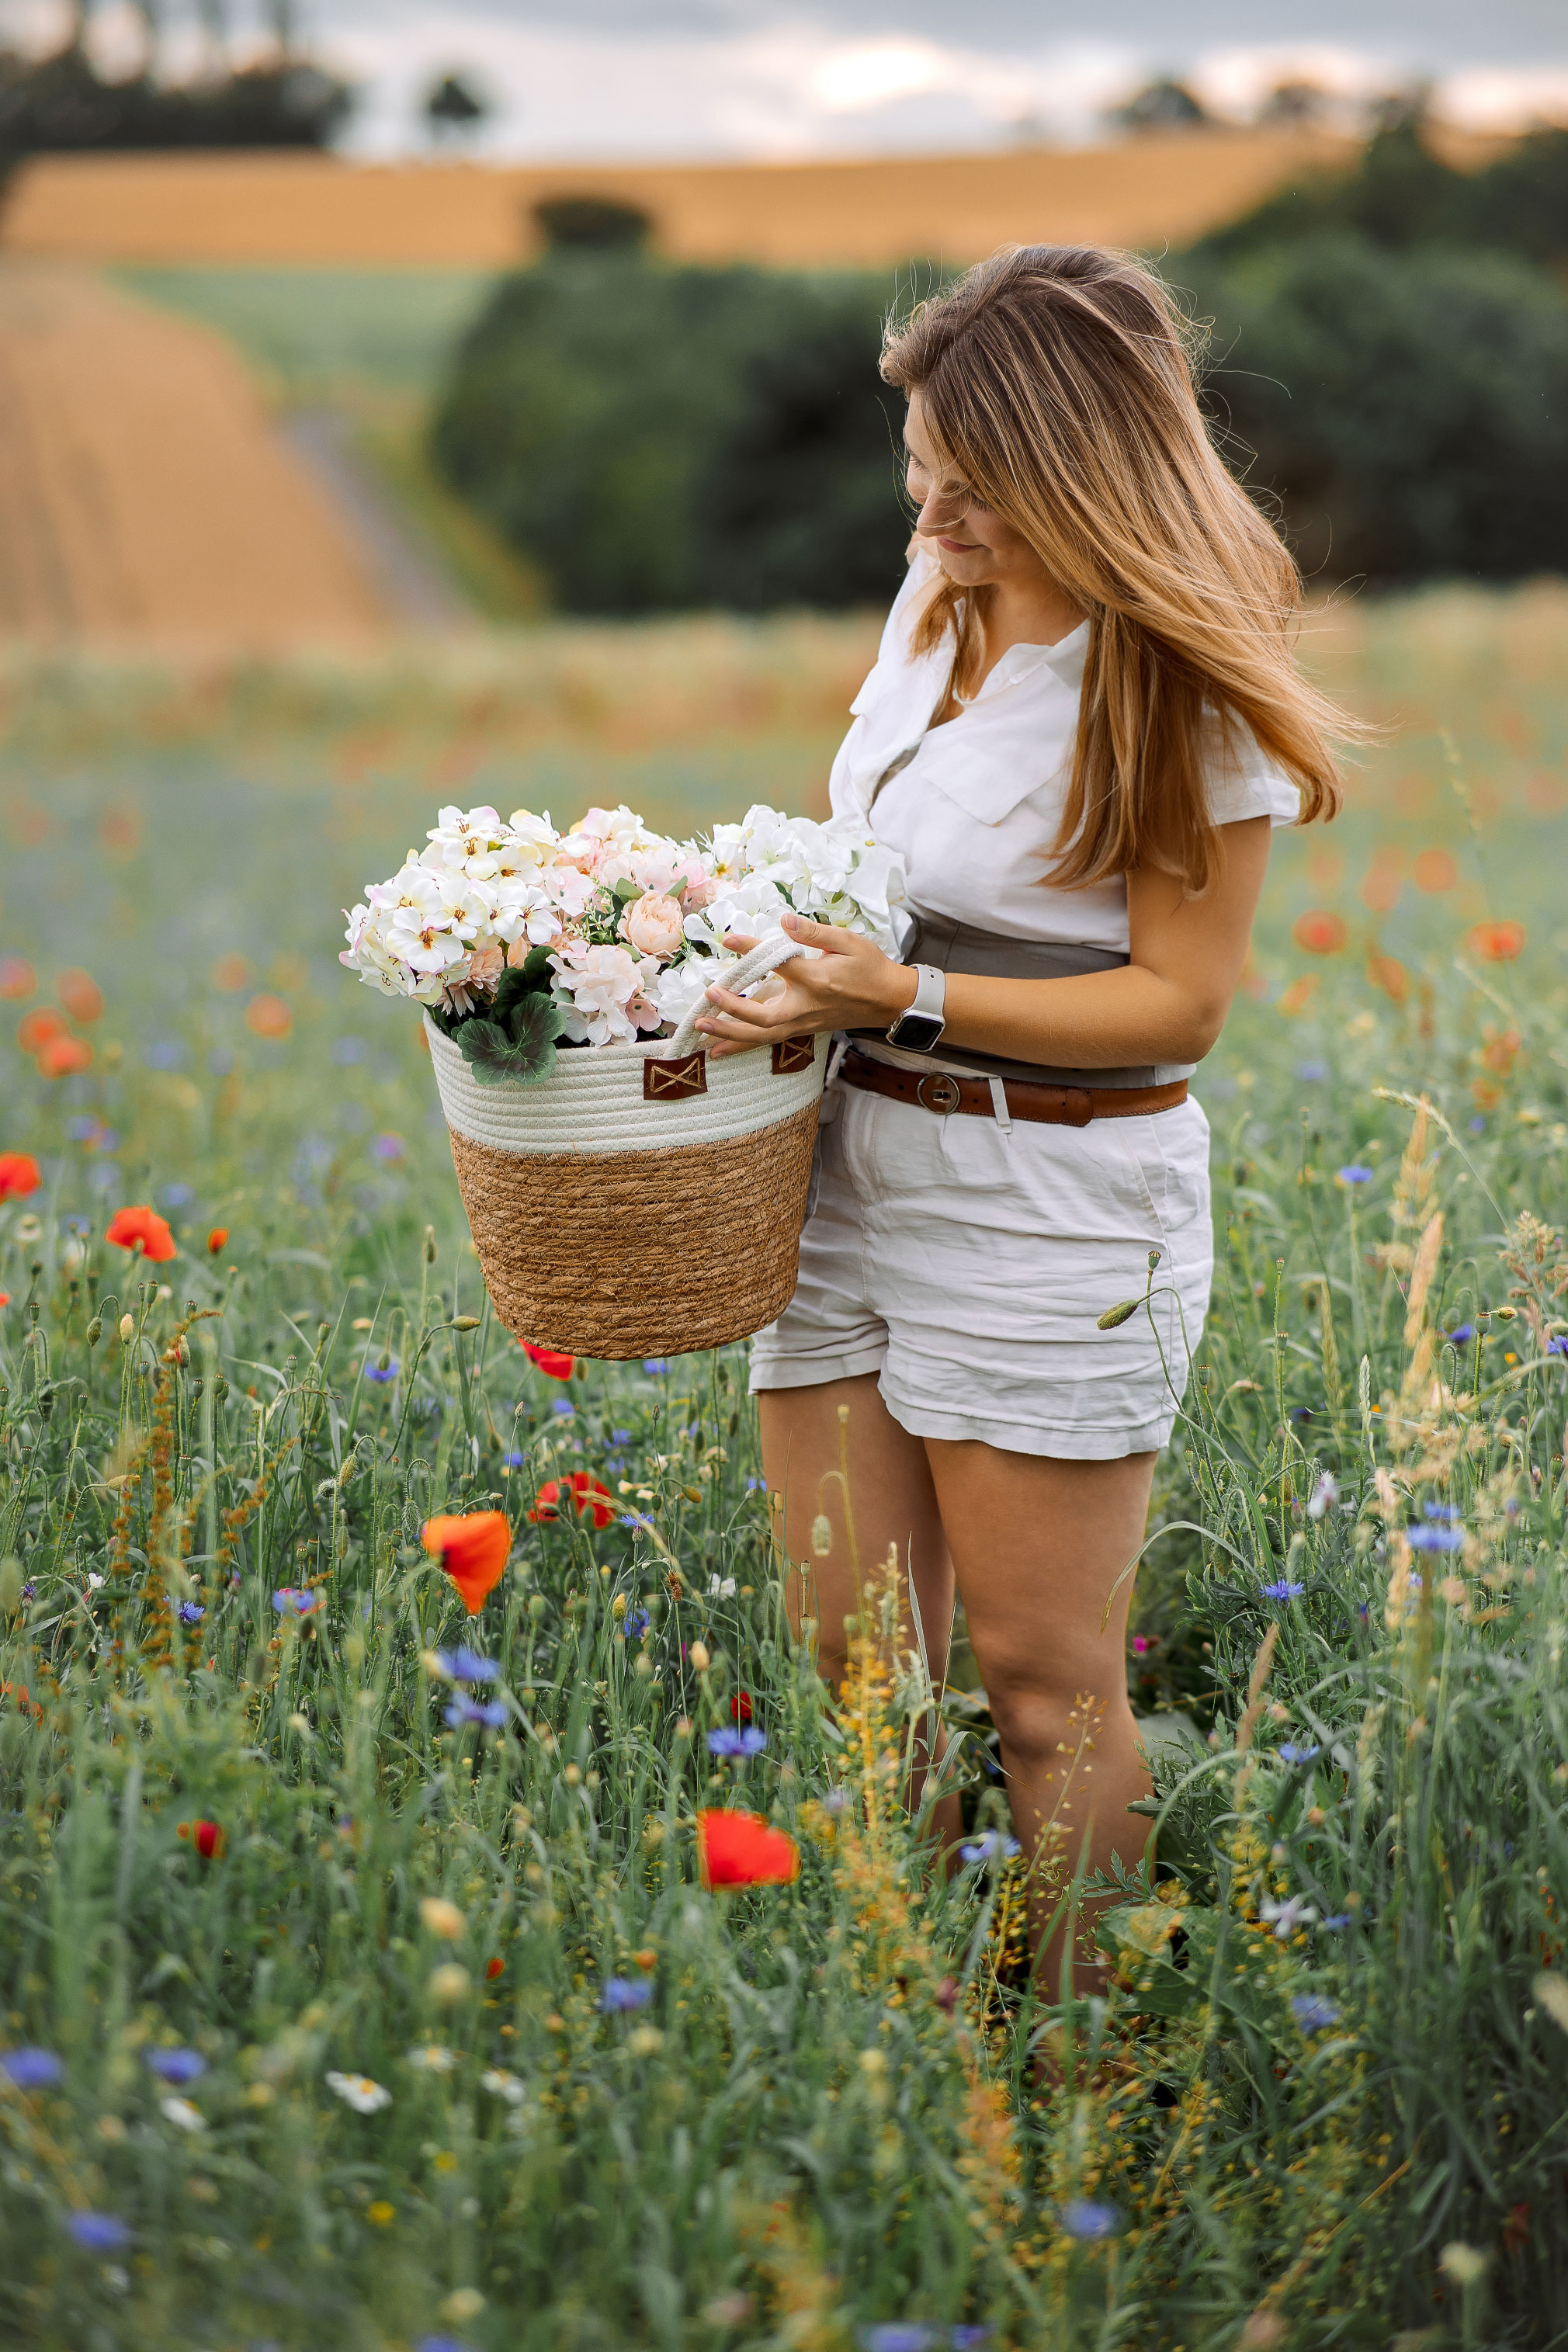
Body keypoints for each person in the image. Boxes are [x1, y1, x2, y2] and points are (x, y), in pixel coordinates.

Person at [693, 244, 1348, 1987]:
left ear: (1077, 476)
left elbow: (1178, 1000)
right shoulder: (931, 594)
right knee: (857, 1675)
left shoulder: (1176, 674)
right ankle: (909, 2057)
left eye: (971, 493)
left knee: (1042, 1689)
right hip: (839, 1168)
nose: (929, 519)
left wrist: (894, 993)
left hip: (1048, 1193)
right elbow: (888, 857)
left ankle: (1084, 2093)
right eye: (918, 475)